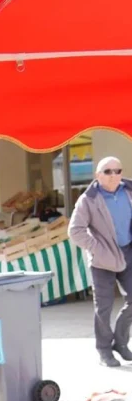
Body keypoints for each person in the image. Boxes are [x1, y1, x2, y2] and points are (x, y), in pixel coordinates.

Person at [69, 156, 132, 367]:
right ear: (98, 176)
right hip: (102, 260)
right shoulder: (88, 199)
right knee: (103, 307)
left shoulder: (129, 190)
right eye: (108, 171)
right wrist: (98, 249)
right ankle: (104, 350)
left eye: (117, 170)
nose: (113, 175)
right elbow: (75, 231)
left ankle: (120, 343)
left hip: (128, 252)